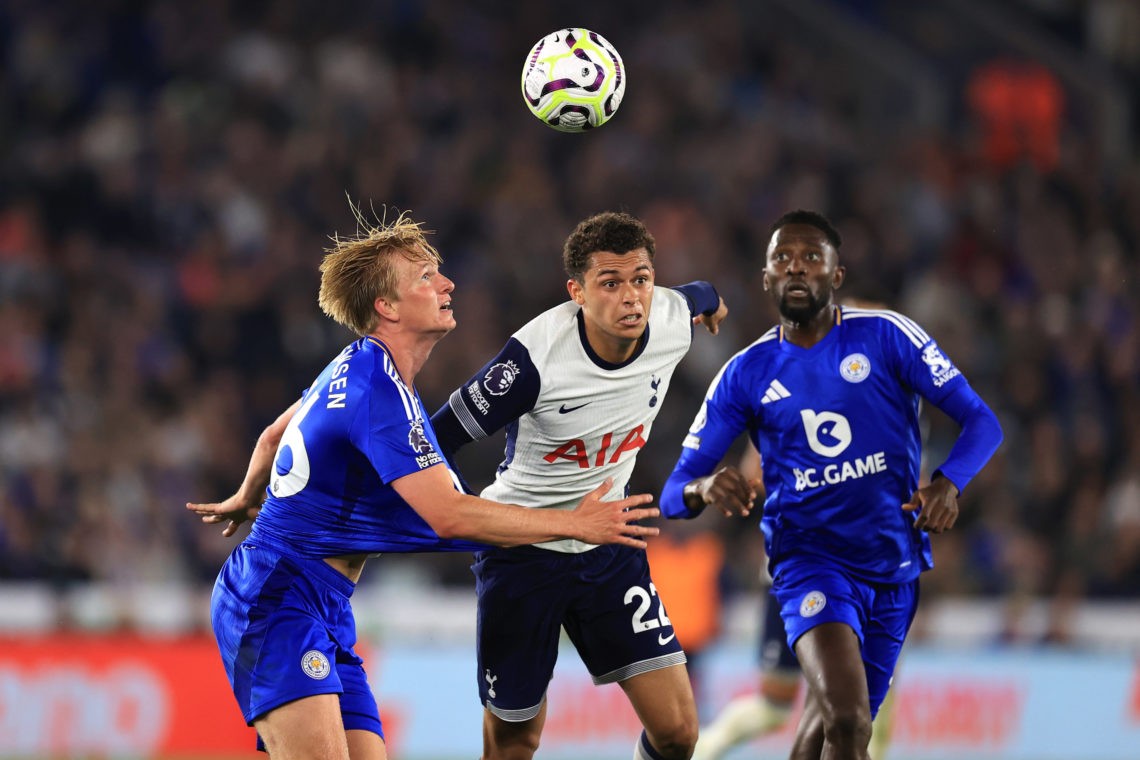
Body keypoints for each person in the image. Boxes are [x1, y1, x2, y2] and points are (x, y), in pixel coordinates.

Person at [186, 211, 662, 760]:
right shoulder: (376, 391)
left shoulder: (358, 366)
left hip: (323, 602)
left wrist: (247, 496)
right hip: (277, 597)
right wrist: (576, 524)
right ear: (387, 307)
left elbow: (274, 436)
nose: (447, 283)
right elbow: (451, 516)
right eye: (426, 277)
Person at [660, 209, 1003, 760]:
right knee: (849, 723)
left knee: (824, 732)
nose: (797, 269)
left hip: (893, 566)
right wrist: (704, 489)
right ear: (766, 278)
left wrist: (948, 483)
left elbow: (982, 423)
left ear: (836, 276)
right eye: (783, 260)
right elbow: (673, 491)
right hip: (808, 562)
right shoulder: (746, 373)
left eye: (812, 258)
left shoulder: (888, 337)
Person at [430, 210, 728, 760]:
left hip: (608, 548)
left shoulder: (669, 317)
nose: (632, 298)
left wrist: (710, 303)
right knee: (517, 742)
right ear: (577, 292)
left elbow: (701, 294)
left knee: (680, 733)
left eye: (641, 279)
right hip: (521, 554)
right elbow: (432, 440)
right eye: (609, 284)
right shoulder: (532, 361)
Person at [692, 443, 895, 760]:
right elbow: (752, 475)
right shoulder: (782, 401)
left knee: (860, 703)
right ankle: (699, 751)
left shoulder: (886, 408)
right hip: (795, 576)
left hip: (857, 574)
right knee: (779, 707)